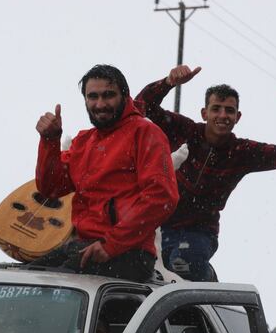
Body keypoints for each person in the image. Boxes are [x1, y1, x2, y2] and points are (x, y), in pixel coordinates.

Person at [136, 65, 276, 281]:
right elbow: (142, 106)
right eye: (216, 108)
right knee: (141, 269)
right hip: (159, 225)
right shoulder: (185, 131)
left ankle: (209, 282)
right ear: (204, 113)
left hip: (199, 233)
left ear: (238, 117)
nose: (222, 115)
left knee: (184, 264)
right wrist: (168, 82)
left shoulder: (241, 152)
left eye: (229, 110)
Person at [32, 64, 179, 282]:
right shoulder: (83, 141)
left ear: (125, 96)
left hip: (131, 254)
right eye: (93, 97)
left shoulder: (146, 133)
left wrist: (112, 245)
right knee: (26, 278)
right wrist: (49, 140)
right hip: (85, 246)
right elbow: (50, 188)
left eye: (108, 95)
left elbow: (162, 197)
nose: (100, 104)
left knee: (50, 286)